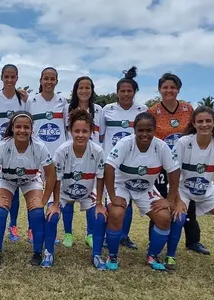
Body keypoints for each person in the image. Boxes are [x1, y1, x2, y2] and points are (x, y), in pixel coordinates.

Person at [168, 106, 214, 273]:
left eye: (208, 121)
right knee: (178, 218)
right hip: (183, 190)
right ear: (193, 123)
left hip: (207, 190)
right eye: (200, 121)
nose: (204, 124)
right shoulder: (183, 142)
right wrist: (177, 201)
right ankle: (170, 255)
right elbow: (173, 173)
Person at [104, 112, 180, 271]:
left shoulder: (161, 146)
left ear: (155, 130)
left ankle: (152, 255)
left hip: (145, 187)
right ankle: (112, 254)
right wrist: (112, 196)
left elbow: (174, 171)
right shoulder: (125, 144)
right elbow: (109, 168)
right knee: (116, 213)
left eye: (149, 130)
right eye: (140, 130)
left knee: (164, 218)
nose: (144, 134)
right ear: (134, 130)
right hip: (122, 184)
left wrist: (170, 199)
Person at [0, 111, 56, 265]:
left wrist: (43, 200)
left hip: (31, 179)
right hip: (6, 179)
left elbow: (51, 174)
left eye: (26, 127)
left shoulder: (39, 146)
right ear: (12, 128)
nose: (22, 130)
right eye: (18, 127)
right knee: (0, 210)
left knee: (36, 212)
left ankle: (37, 252)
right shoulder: (3, 145)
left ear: (31, 129)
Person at [148, 73, 209, 255]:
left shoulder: (187, 109)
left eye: (172, 87)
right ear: (160, 89)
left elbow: (195, 132)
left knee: (187, 202)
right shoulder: (152, 111)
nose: (169, 90)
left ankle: (193, 241)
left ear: (178, 89)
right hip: (161, 164)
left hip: (184, 163)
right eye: (165, 87)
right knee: (162, 201)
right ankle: (155, 240)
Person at [49, 108, 106, 269]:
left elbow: (100, 178)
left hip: (88, 191)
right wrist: (55, 203)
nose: (80, 135)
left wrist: (100, 203)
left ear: (91, 132)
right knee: (51, 216)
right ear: (70, 131)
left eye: (85, 131)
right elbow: (56, 179)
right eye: (77, 131)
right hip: (63, 192)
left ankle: (96, 254)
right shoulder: (62, 151)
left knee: (100, 216)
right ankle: (49, 251)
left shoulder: (98, 151)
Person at [100, 66, 147, 250]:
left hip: (134, 163)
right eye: (122, 91)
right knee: (111, 201)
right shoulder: (107, 109)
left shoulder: (142, 110)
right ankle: (107, 235)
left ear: (134, 92)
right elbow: (102, 136)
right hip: (112, 163)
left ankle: (124, 236)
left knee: (128, 200)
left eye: (129, 91)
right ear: (117, 92)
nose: (126, 94)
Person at [25, 67, 67, 246]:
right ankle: (32, 228)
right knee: (35, 192)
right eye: (46, 79)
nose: (49, 82)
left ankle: (52, 230)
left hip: (56, 154)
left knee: (54, 192)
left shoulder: (63, 102)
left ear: (57, 81)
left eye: (53, 79)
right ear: (40, 80)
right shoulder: (31, 101)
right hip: (37, 153)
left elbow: (66, 127)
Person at [0, 64, 29, 242]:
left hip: (18, 148)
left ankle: (13, 225)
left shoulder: (23, 99)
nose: (10, 80)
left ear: (17, 78)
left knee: (17, 186)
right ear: (2, 77)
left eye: (13, 77)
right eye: (7, 76)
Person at [64, 76, 104, 248]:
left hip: (91, 158)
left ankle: (90, 234)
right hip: (70, 157)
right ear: (75, 89)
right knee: (68, 196)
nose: (84, 91)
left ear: (92, 90)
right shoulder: (67, 108)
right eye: (81, 87)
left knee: (90, 196)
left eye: (88, 87)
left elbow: (100, 135)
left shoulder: (98, 110)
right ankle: (67, 233)